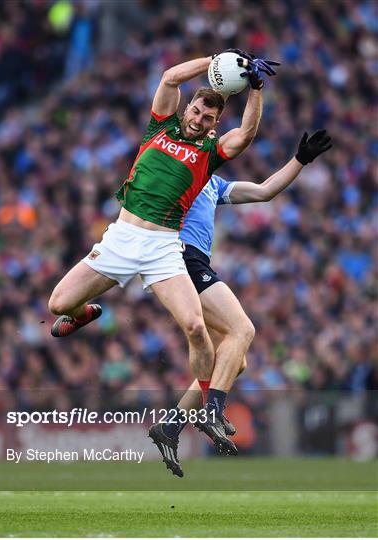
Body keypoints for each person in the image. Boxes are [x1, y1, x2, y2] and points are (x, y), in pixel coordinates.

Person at [48, 51, 277, 456]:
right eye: (196, 111)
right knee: (58, 304)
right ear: (187, 108)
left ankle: (209, 407)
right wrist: (219, 59)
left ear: (214, 123)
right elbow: (170, 76)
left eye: (208, 118)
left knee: (195, 328)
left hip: (162, 248)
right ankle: (87, 313)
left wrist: (256, 88)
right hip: (120, 239)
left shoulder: (209, 155)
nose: (198, 120)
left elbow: (245, 135)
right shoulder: (159, 127)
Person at [150, 129, 332, 477]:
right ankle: (212, 411)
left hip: (195, 262)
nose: (212, 135)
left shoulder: (213, 184)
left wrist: (300, 160)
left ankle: (170, 426)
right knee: (243, 328)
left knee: (235, 361)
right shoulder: (177, 170)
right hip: (180, 258)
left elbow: (264, 191)